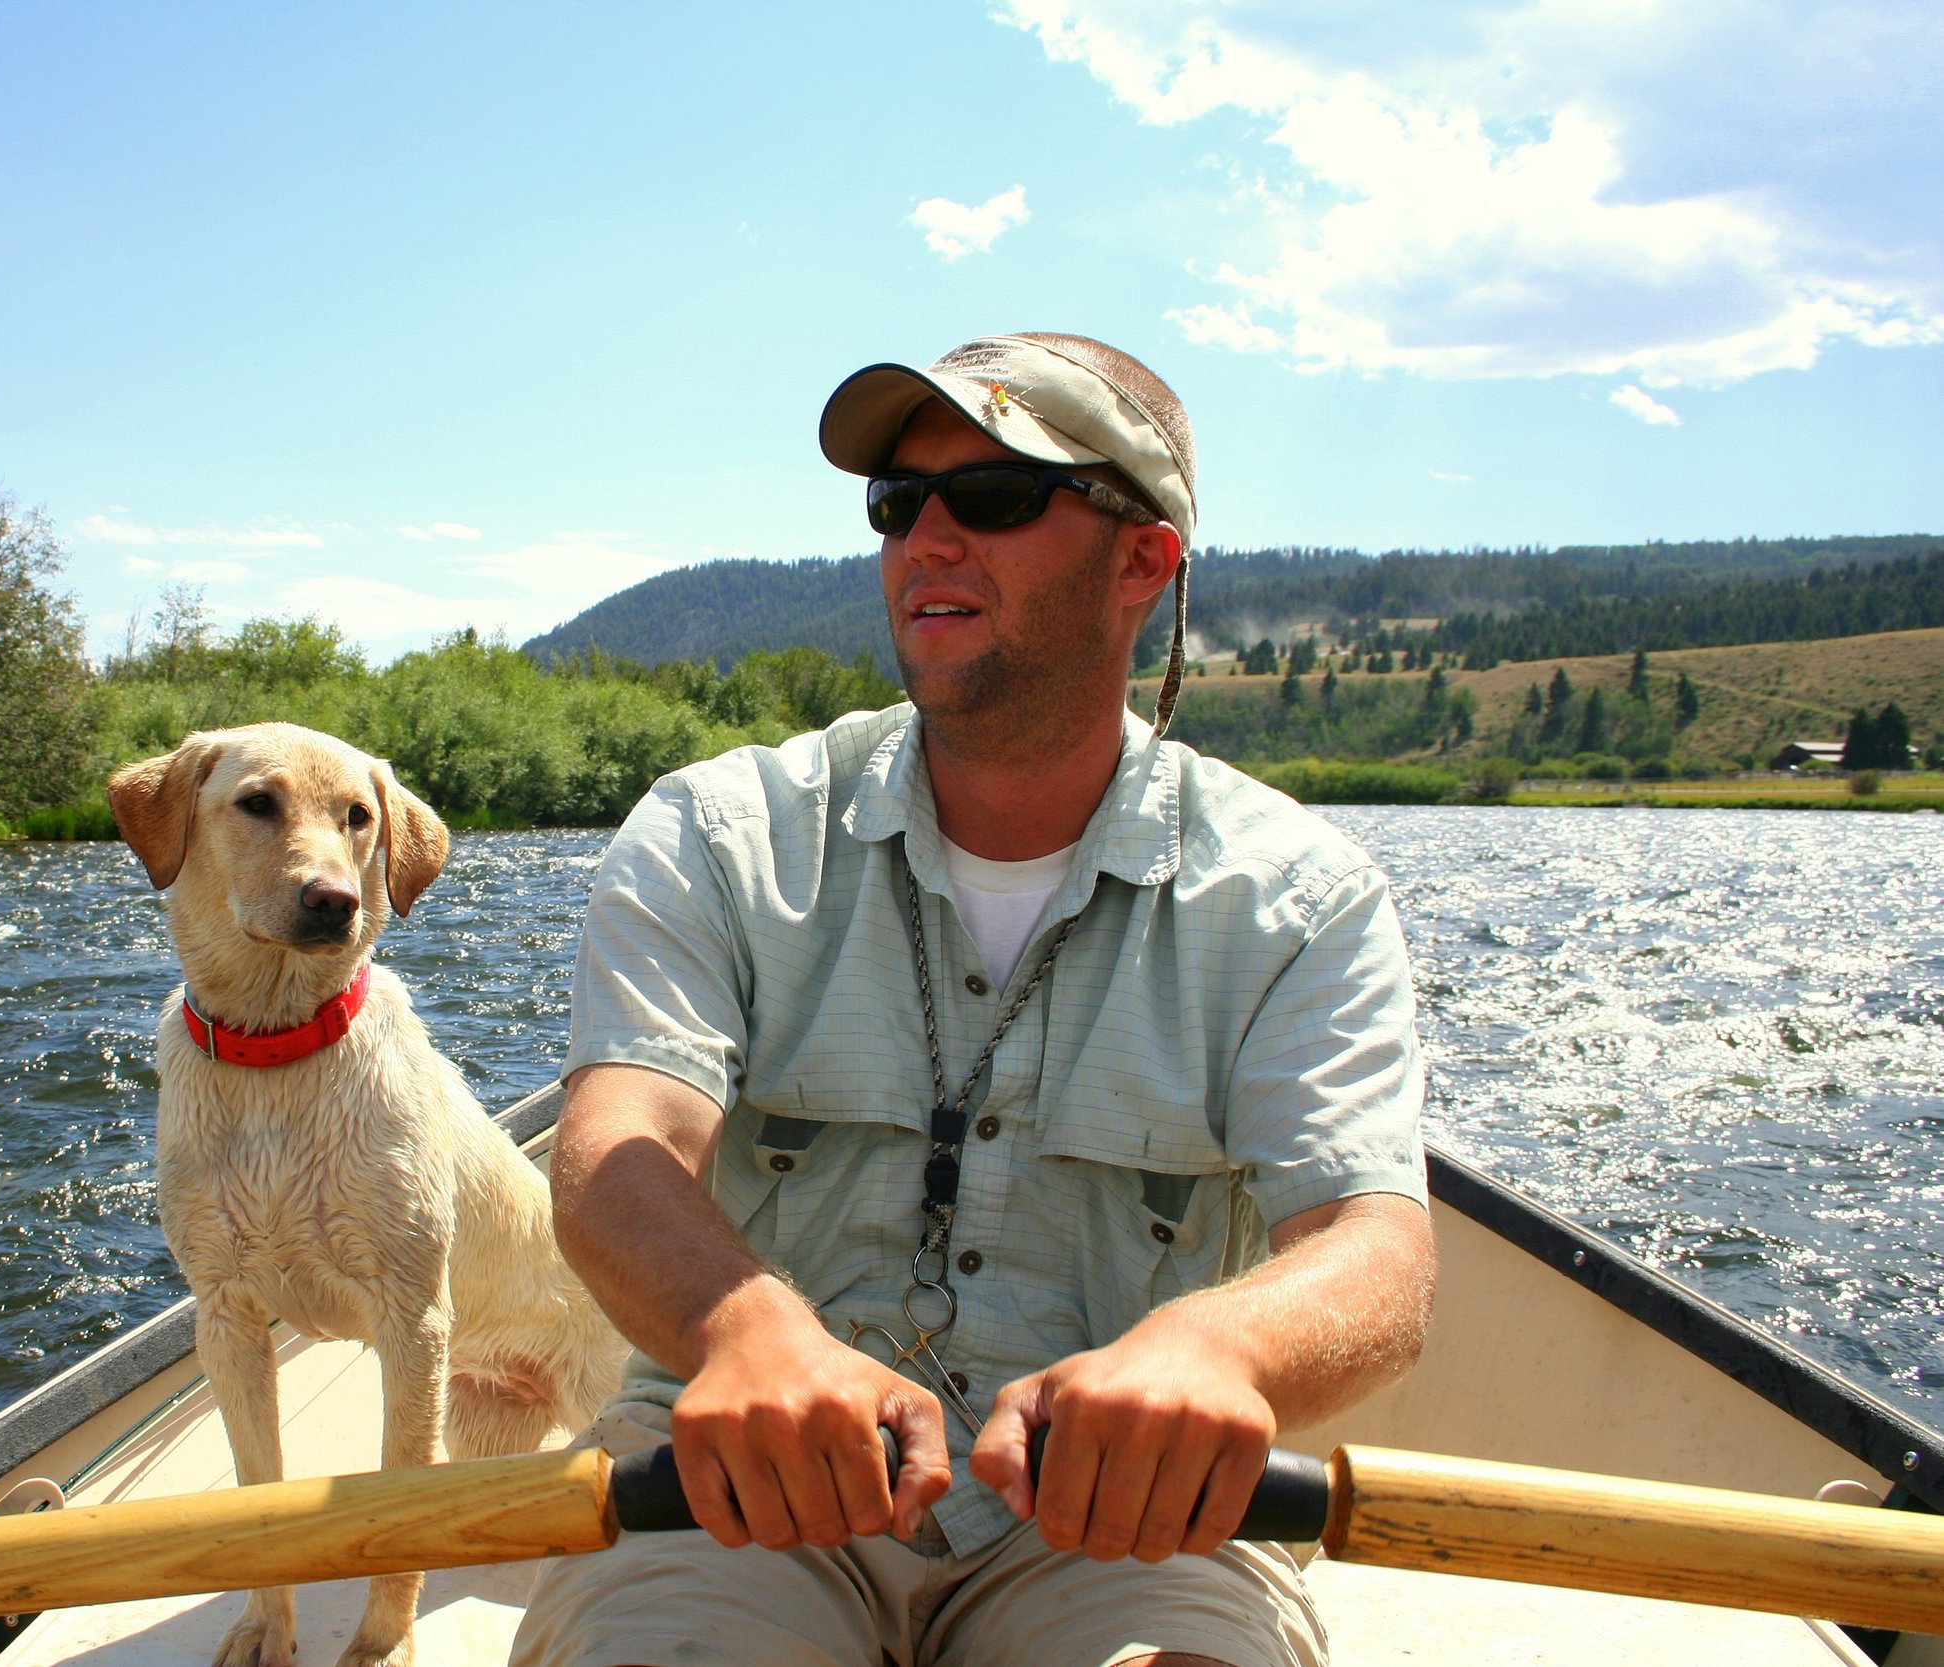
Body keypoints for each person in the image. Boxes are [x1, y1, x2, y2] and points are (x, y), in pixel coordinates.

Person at [511, 333, 1437, 1667]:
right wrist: (746, 1328)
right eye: (897, 503)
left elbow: (1379, 1256)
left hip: (1124, 1522)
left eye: (995, 496)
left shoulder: (1302, 898)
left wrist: (1217, 1346)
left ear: (1143, 561)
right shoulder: (719, 832)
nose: (924, 538)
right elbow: (614, 1150)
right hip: (732, 1485)